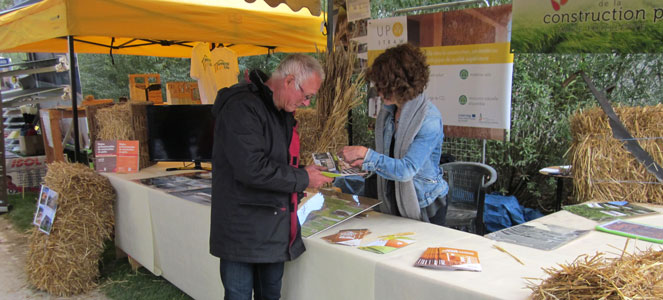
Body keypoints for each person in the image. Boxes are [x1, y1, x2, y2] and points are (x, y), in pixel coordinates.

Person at [210, 54, 332, 300]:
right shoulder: (242, 107)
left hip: (271, 225)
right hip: (241, 229)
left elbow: (274, 162)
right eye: (307, 95)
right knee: (238, 295)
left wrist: (303, 173)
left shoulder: (278, 110)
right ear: (288, 81)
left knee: (271, 295)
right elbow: (251, 168)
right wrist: (302, 178)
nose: (307, 103)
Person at [338, 43, 448, 225]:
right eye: (379, 86)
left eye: (385, 87)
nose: (380, 93)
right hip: (391, 198)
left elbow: (406, 170)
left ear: (404, 85)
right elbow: (388, 157)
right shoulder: (388, 111)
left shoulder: (429, 119)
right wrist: (363, 165)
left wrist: (367, 155)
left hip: (424, 205)